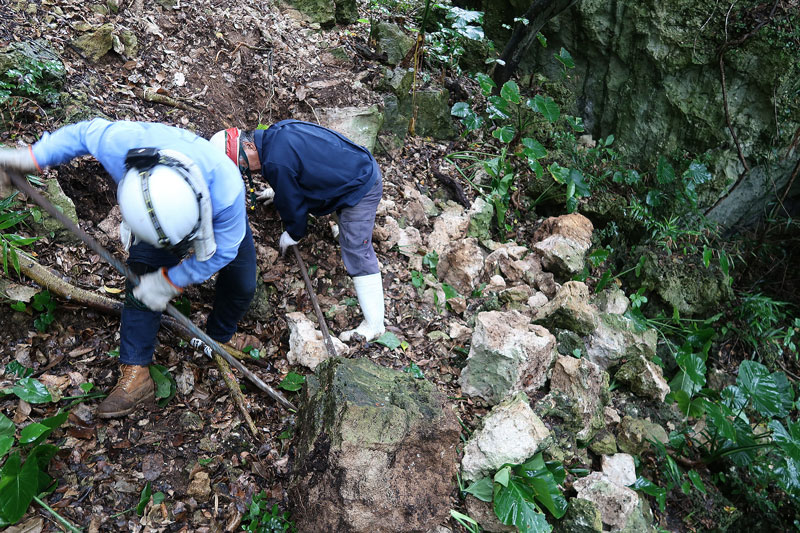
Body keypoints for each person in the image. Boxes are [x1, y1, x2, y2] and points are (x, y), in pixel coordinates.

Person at [0, 118, 256, 418]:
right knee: (143, 276)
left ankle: (219, 335)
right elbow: (83, 132)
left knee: (242, 283)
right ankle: (136, 372)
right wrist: (31, 157)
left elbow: (220, 254)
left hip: (212, 213)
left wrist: (172, 281)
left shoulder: (228, 193)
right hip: (153, 213)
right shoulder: (122, 145)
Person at [209, 121, 386, 342]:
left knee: (356, 251)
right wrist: (279, 191)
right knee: (347, 233)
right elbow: (298, 166)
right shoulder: (275, 134)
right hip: (354, 165)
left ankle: (375, 323)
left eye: (243, 164)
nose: (248, 170)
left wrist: (293, 233)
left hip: (361, 185)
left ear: (250, 146)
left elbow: (294, 203)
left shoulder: (275, 162)